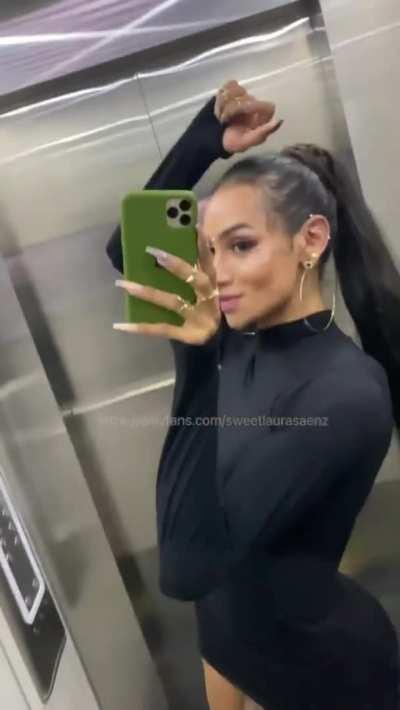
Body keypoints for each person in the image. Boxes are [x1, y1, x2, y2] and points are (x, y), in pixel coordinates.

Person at [106, 80, 400, 710]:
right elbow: (126, 250)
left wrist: (196, 358)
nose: (217, 273)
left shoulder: (345, 395)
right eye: (211, 249)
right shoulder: (238, 337)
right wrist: (204, 142)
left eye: (241, 246)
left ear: (311, 240)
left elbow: (188, 567)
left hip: (326, 678)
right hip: (230, 640)